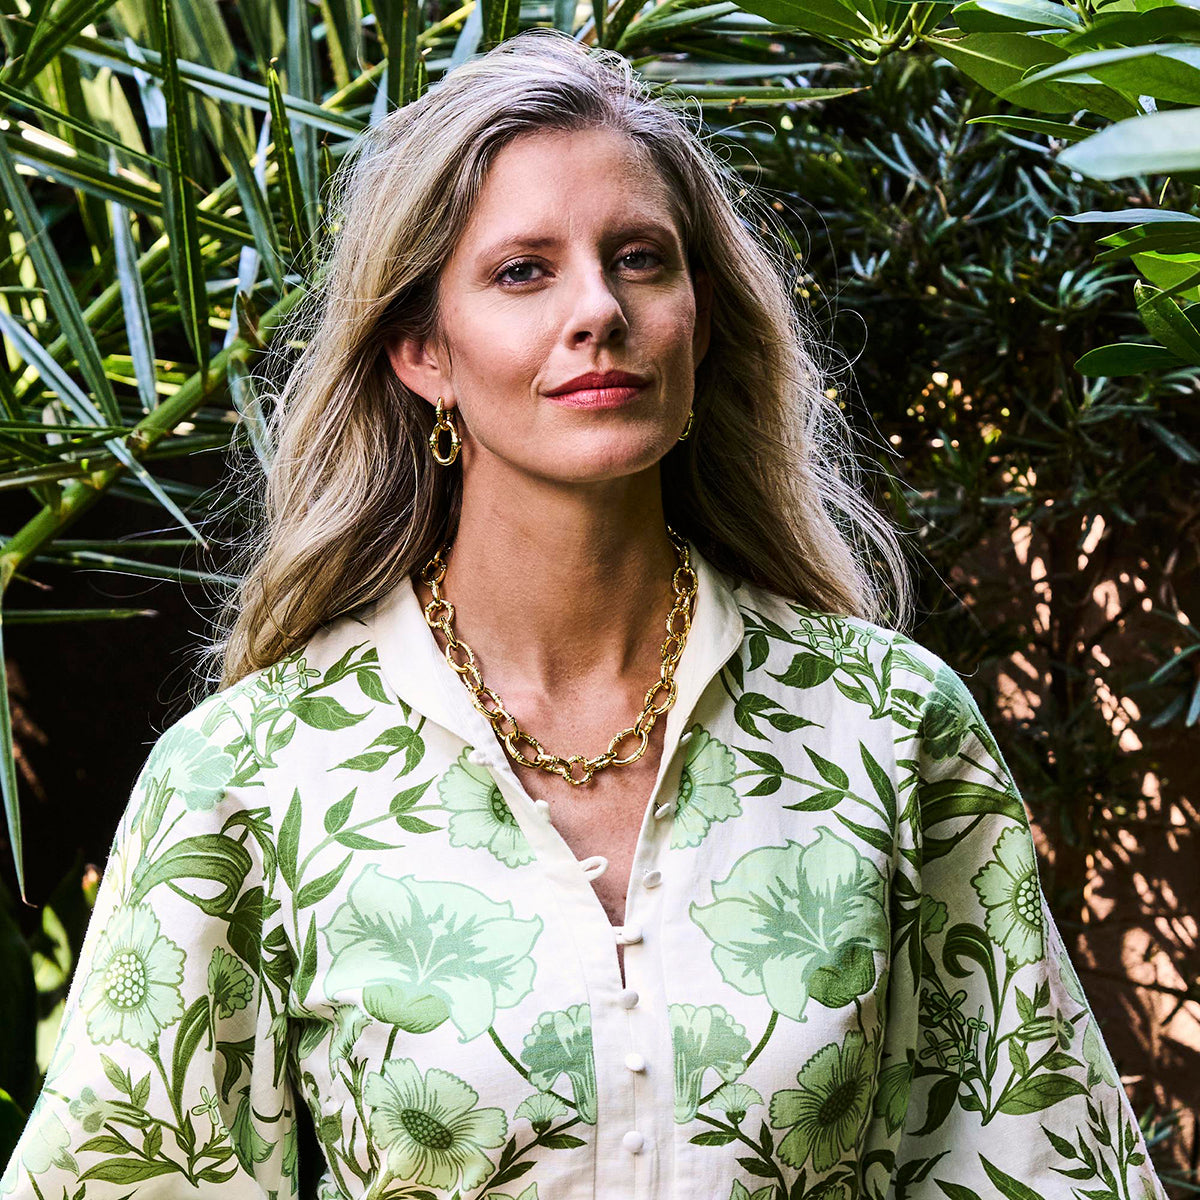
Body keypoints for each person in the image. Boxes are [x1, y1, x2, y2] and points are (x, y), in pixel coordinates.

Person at [2, 28, 1169, 1200]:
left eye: (640, 259)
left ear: (699, 317)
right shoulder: (255, 775)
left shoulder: (885, 727)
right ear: (422, 350)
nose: (598, 309)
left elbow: (1040, 1167)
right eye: (524, 271)